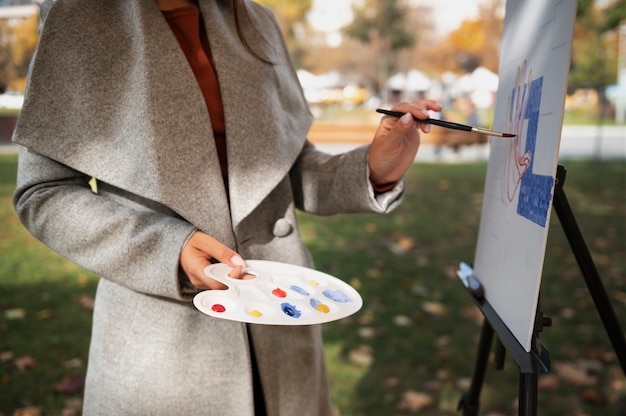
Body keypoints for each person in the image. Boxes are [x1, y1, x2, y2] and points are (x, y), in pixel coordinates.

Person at [12, 0, 441, 414]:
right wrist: (169, 249)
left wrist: (373, 167)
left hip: (281, 328)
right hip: (163, 342)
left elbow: (289, 173)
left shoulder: (258, 23)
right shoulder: (79, 16)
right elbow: (44, 193)